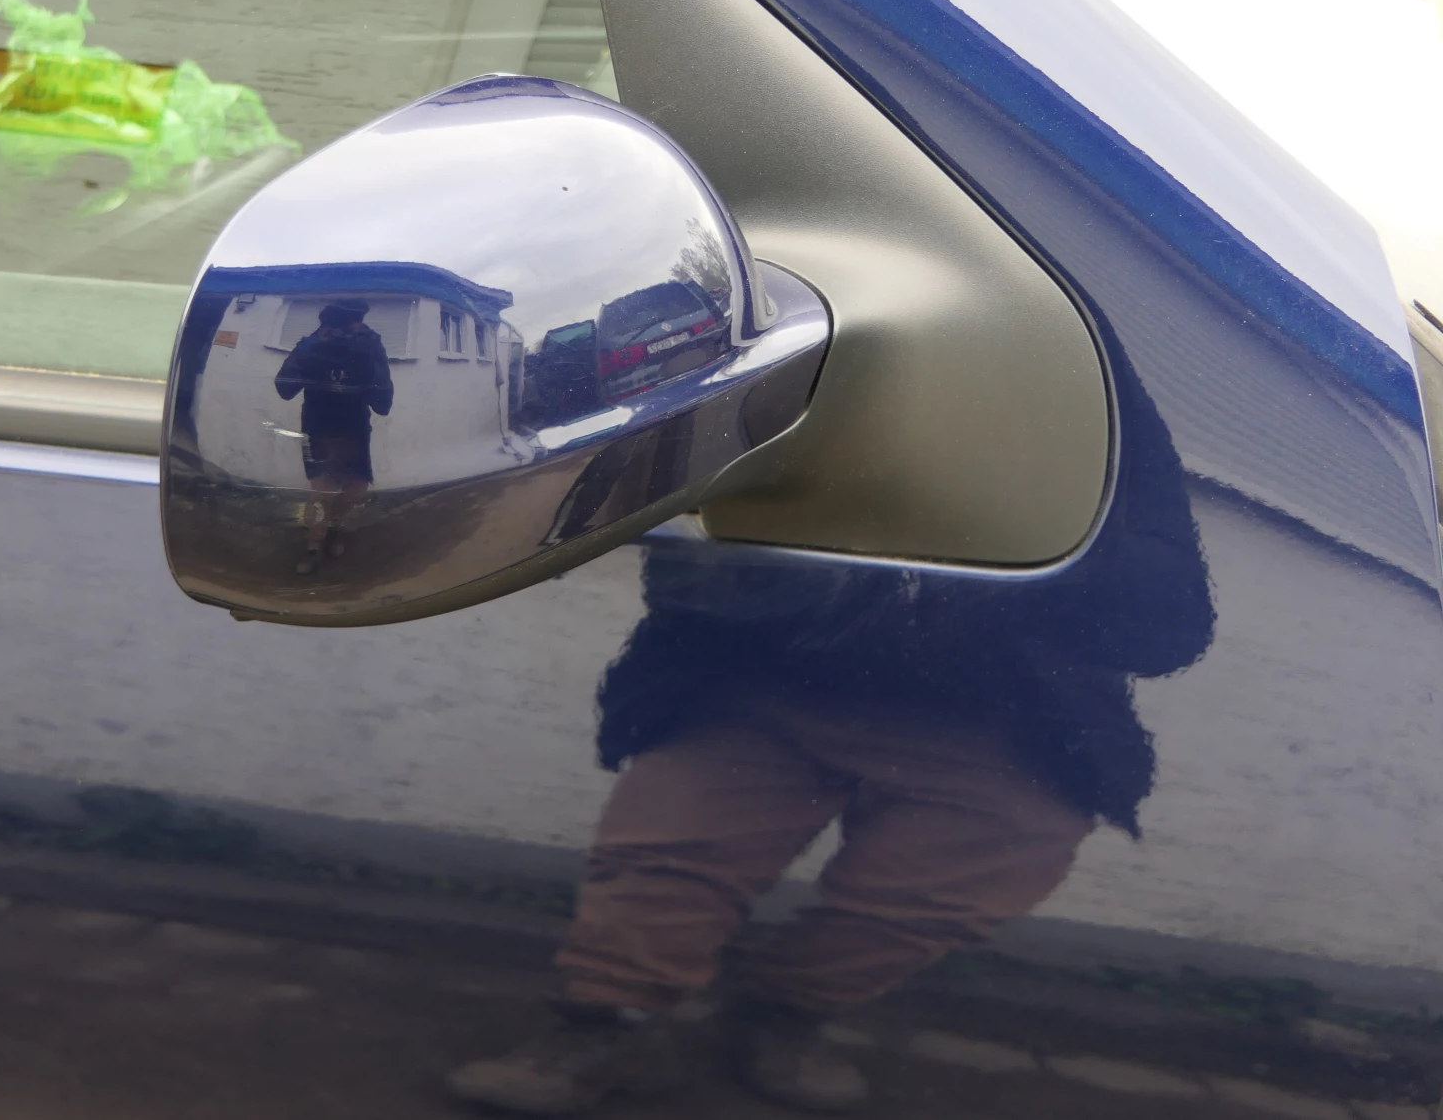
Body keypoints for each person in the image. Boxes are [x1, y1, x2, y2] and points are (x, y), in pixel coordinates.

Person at [448, 362, 1214, 1115]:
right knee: (671, 855)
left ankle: (780, 1016)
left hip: (999, 710)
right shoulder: (787, 335)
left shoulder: (1083, 383)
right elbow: (664, 515)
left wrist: (1011, 549)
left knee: (951, 881)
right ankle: (604, 1027)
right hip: (767, 677)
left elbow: (1168, 616)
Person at [273, 299, 394, 573]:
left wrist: (371, 355)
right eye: (337, 327)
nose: (344, 335)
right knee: (320, 491)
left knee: (356, 489)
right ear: (324, 327)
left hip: (355, 429)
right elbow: (284, 388)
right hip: (318, 428)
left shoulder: (368, 348)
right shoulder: (312, 346)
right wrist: (310, 347)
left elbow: (383, 404)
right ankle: (313, 545)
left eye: (352, 327)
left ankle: (334, 528)